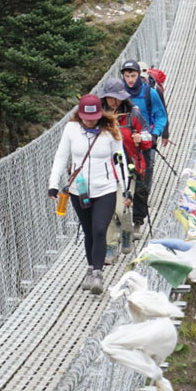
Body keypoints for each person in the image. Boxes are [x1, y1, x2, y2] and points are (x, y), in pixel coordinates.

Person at [48, 94, 129, 294]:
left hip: (105, 188)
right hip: (79, 190)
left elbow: (120, 159)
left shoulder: (110, 130)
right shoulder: (71, 129)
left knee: (100, 229)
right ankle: (91, 268)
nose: (90, 121)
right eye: (86, 117)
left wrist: (125, 186)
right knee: (89, 231)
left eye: (93, 117)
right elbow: (61, 156)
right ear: (80, 115)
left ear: (100, 114)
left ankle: (98, 275)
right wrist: (53, 184)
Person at [99, 78, 153, 261]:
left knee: (122, 208)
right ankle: (111, 246)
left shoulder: (133, 114)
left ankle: (126, 232)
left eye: (117, 98)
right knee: (107, 210)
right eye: (110, 97)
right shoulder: (98, 116)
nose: (114, 101)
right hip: (103, 170)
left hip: (127, 168)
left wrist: (141, 138)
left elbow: (148, 136)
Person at [119, 60, 168, 238]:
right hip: (124, 144)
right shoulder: (118, 94)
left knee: (142, 184)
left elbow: (161, 115)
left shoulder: (149, 92)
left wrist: (155, 135)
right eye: (127, 76)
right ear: (123, 76)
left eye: (133, 75)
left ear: (139, 75)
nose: (130, 79)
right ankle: (122, 220)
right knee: (123, 182)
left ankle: (138, 221)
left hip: (145, 143)